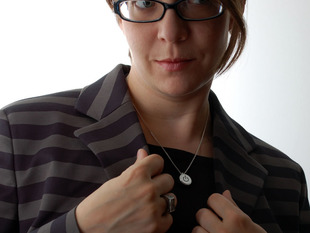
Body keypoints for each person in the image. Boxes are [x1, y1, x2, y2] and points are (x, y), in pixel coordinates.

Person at [0, 0, 309, 232]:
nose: (171, 33)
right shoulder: (18, 135)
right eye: (145, 2)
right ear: (118, 13)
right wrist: (81, 227)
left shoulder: (285, 179)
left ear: (235, 8)